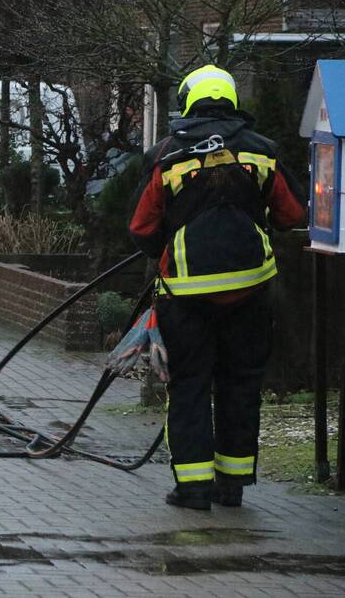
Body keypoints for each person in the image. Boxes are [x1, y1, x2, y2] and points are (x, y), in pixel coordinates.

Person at [128, 64, 305, 510]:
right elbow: (292, 215)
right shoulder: (262, 152)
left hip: (186, 297)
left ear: (187, 99)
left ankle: (193, 489)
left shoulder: (166, 155)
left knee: (188, 385)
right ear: (230, 99)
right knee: (240, 384)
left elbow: (141, 228)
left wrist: (167, 241)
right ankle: (233, 486)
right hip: (250, 292)